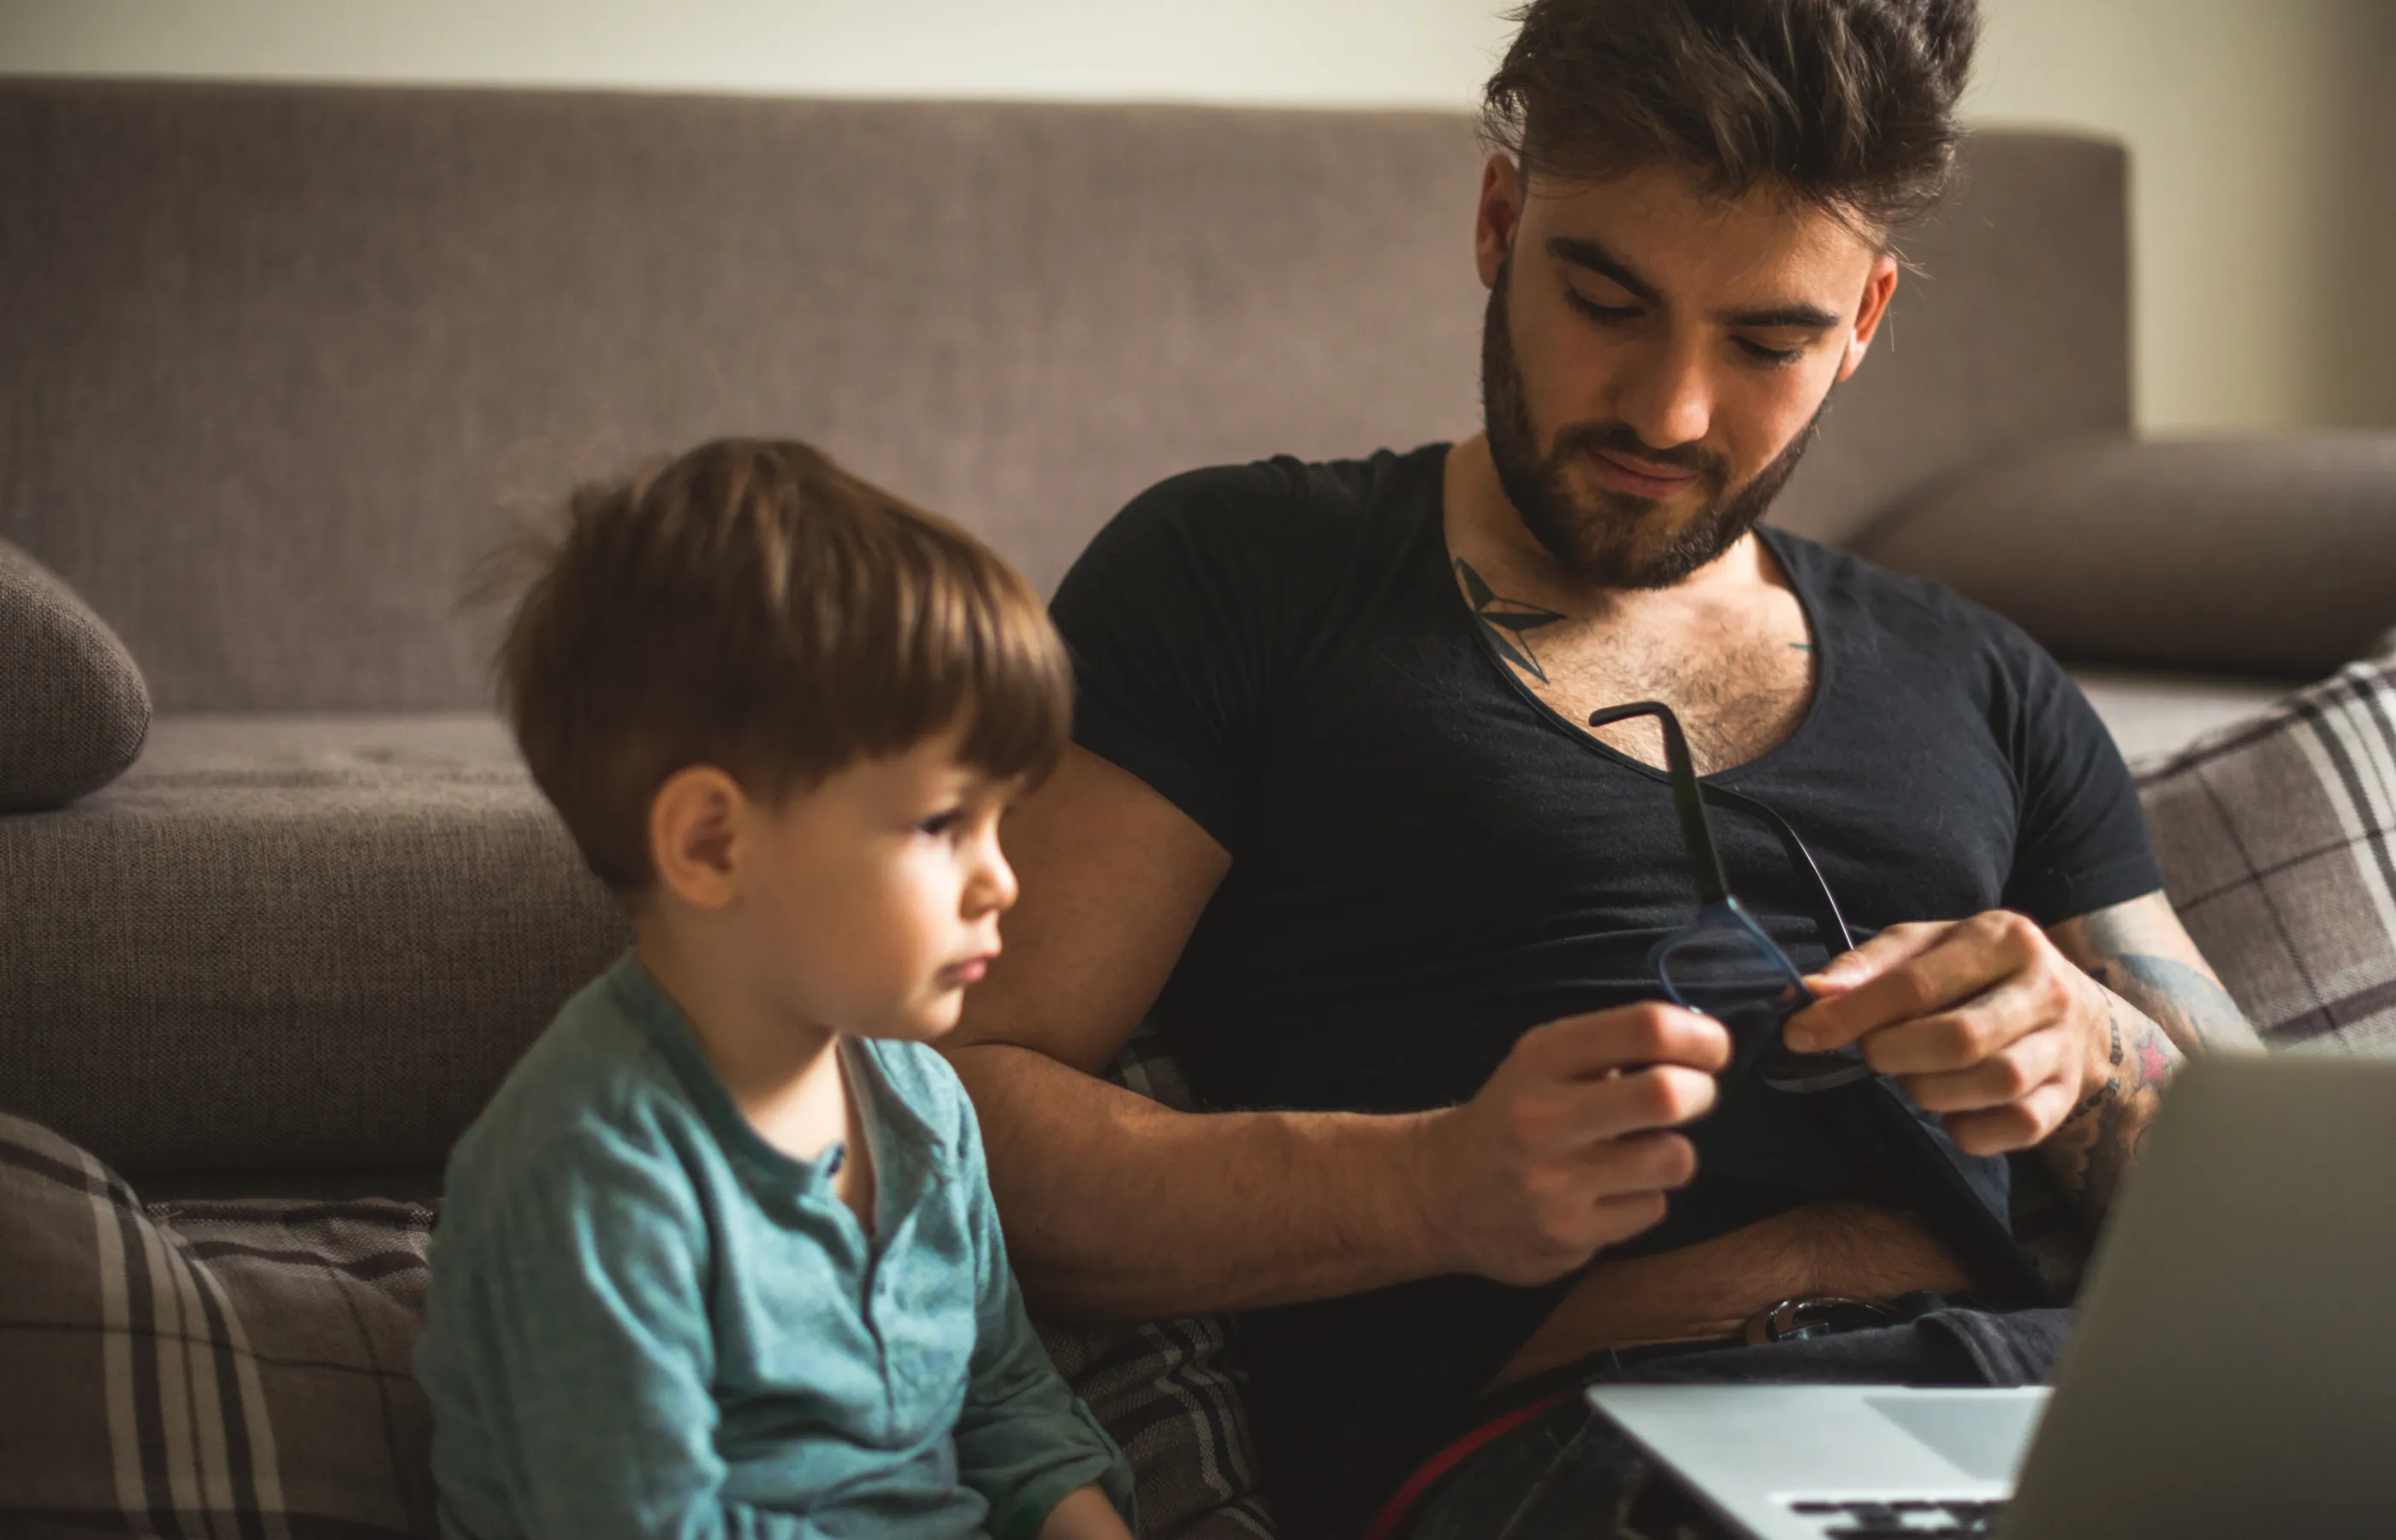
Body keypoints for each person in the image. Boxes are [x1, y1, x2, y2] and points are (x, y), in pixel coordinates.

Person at [940, 2, 2259, 1535]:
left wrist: (2095, 1053)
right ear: (1500, 222)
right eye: (1608, 299)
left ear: (1867, 322)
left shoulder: (1988, 677)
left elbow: (2299, 1216)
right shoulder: (1243, 578)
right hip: (1592, 1453)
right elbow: (946, 1109)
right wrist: (1428, 1189)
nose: (1670, 412)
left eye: (1768, 340)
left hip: (2060, 1422)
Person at [412, 440, 1136, 1540]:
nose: (1002, 878)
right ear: (712, 843)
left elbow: (1002, 1400)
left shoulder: (923, 1109)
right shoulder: (592, 1179)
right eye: (942, 824)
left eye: (1001, 820)